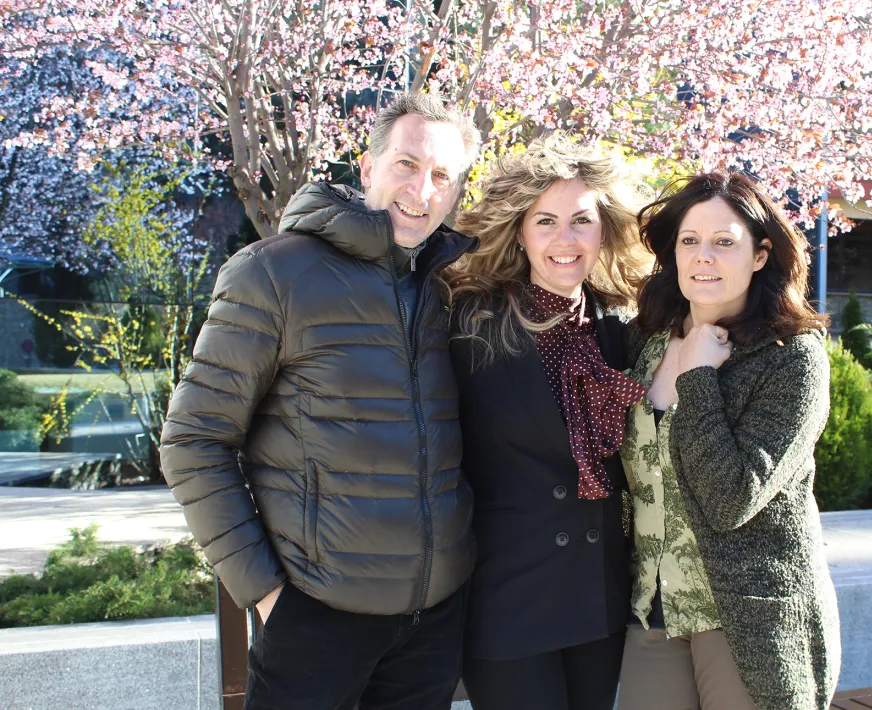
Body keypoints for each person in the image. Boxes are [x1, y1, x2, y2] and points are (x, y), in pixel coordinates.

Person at [159, 93, 482, 710]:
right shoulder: (274, 274)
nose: (423, 188)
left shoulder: (445, 286)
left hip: (431, 622)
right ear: (367, 169)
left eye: (443, 176)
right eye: (407, 164)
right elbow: (194, 441)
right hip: (315, 619)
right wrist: (265, 595)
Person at [617, 172, 841, 710]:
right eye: (689, 241)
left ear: (761, 255)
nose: (703, 257)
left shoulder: (792, 357)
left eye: (724, 242)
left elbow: (732, 497)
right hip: (653, 609)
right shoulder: (644, 342)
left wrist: (698, 380)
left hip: (745, 617)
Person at [447, 137, 649, 710]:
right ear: (519, 231)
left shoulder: (619, 328)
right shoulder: (472, 323)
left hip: (597, 596)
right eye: (546, 222)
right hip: (509, 599)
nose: (566, 240)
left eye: (582, 221)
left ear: (603, 230)